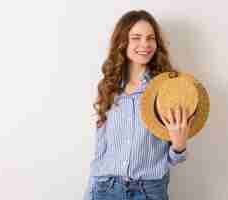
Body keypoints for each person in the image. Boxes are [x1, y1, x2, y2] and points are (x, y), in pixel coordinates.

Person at [83, 9, 195, 200]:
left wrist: (179, 146)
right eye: (136, 37)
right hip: (104, 188)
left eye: (150, 38)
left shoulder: (168, 89)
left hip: (148, 191)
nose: (145, 44)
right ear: (123, 42)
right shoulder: (108, 86)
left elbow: (175, 157)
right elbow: (100, 147)